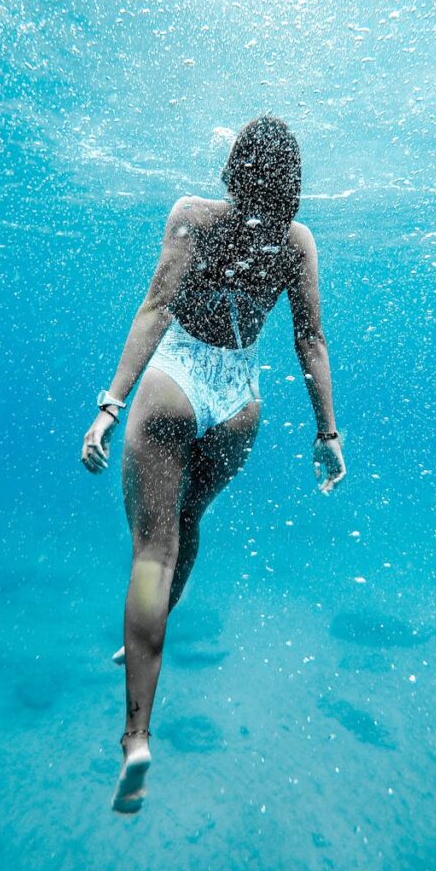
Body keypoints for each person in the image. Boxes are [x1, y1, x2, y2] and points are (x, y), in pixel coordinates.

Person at [80, 115, 346, 814]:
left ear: (233, 168)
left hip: (174, 383)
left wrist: (110, 405)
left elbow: (155, 309)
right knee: (189, 519)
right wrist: (328, 433)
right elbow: (310, 341)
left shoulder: (193, 216)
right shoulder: (296, 243)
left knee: (149, 552)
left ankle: (136, 733)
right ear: (292, 183)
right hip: (239, 402)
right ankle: (155, 625)